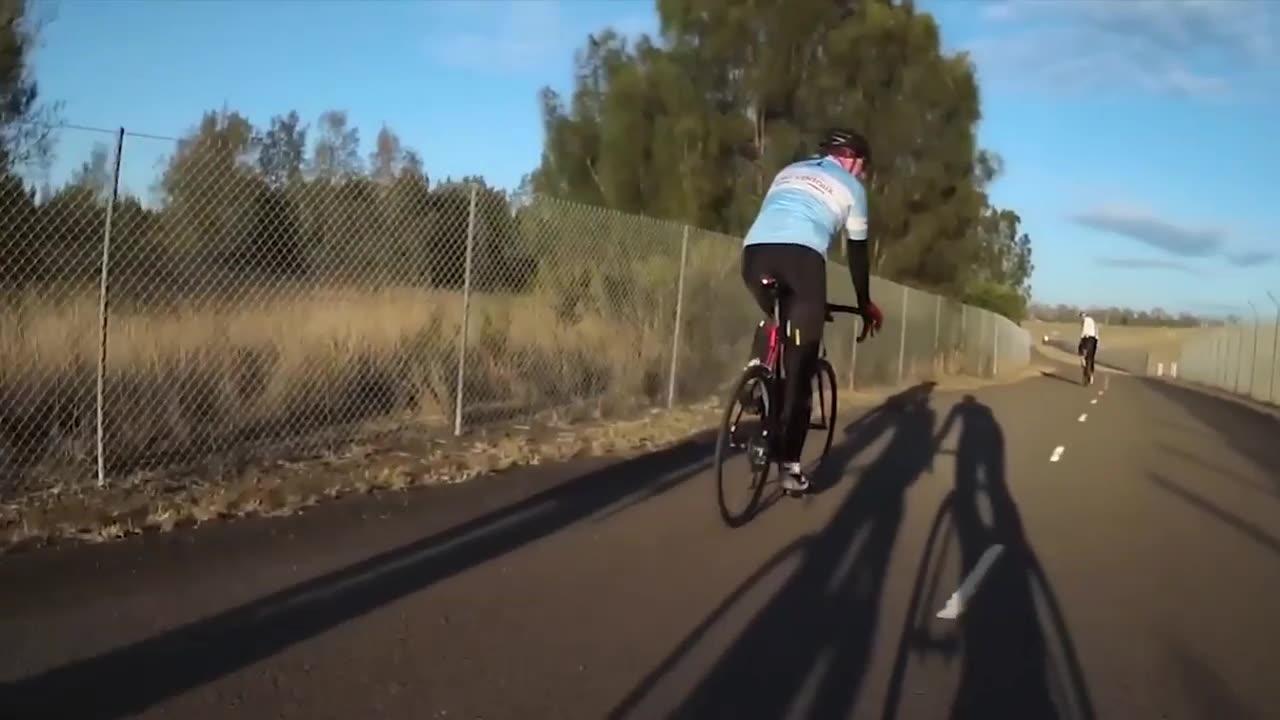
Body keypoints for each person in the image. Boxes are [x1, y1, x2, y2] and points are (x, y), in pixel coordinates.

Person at [740, 128, 884, 493]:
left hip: (754, 254)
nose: (863, 174)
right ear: (851, 159)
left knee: (780, 318)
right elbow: (857, 255)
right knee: (800, 370)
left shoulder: (789, 171)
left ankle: (758, 370)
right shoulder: (852, 189)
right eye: (863, 166)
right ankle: (789, 467)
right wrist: (864, 302)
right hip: (800, 259)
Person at [1078, 311, 1099, 381]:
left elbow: (1083, 330)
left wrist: (1081, 338)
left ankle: (1082, 361)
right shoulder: (1093, 321)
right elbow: (1096, 331)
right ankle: (1091, 374)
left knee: (1080, 350)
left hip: (1086, 338)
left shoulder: (1084, 320)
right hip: (1094, 339)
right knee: (1091, 358)